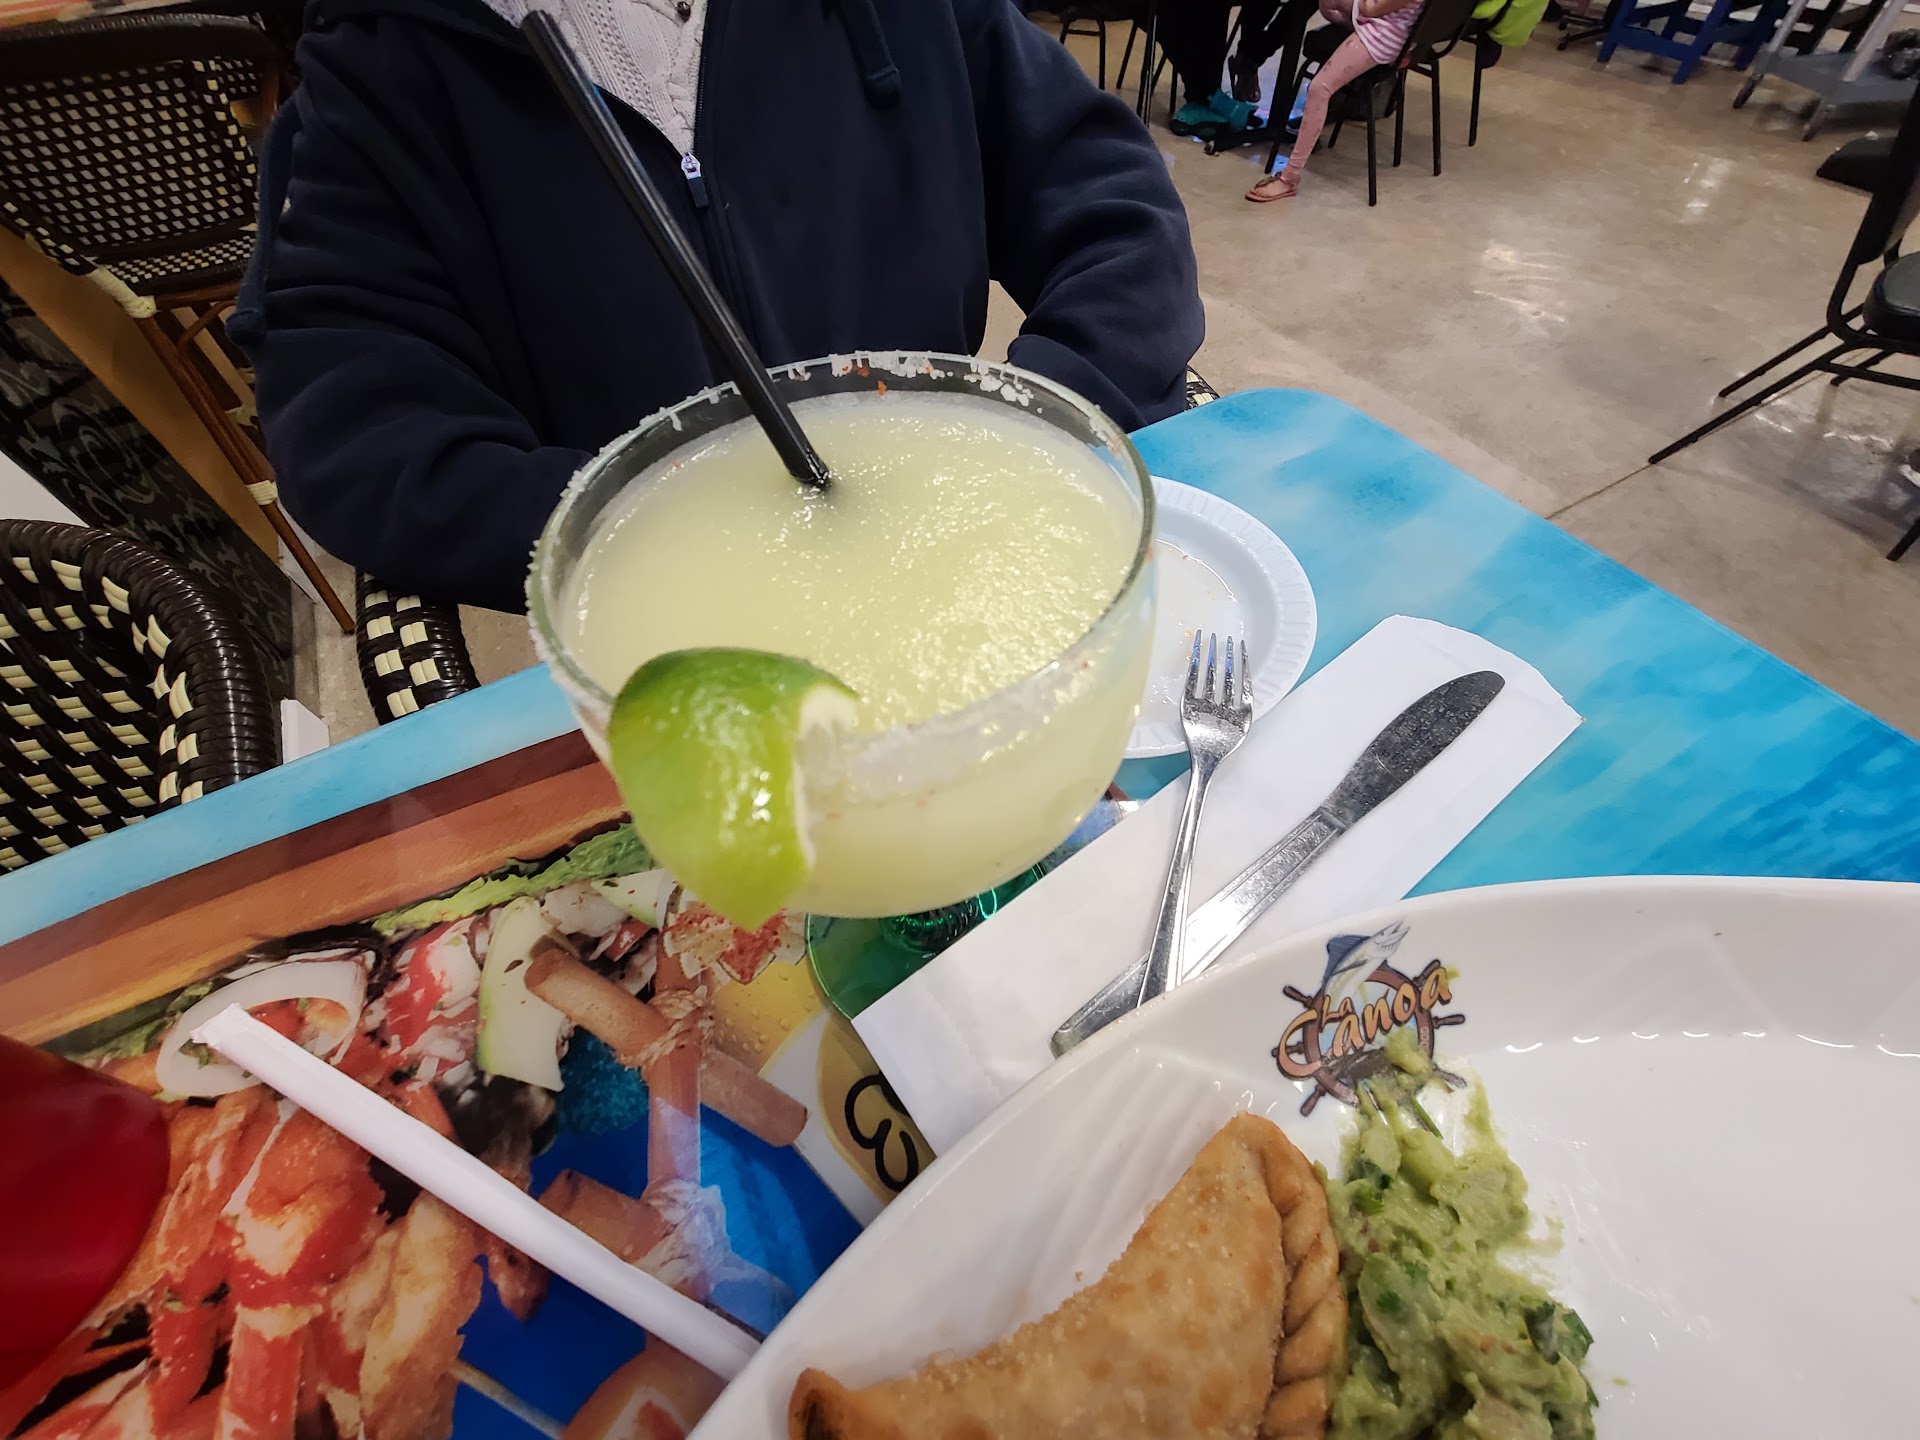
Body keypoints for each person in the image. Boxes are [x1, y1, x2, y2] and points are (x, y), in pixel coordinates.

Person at [231, 0, 1204, 612]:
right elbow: (359, 440)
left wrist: (1026, 432)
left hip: (968, 559)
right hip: (685, 638)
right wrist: (702, 534)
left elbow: (1119, 213)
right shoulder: (379, 75)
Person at [1243, 0, 1425, 204]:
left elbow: (1371, 9)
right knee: (1328, 3)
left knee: (1319, 89)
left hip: (1383, 34)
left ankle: (1289, 178)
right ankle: (1248, 60)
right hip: (1395, 23)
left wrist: (1363, 6)